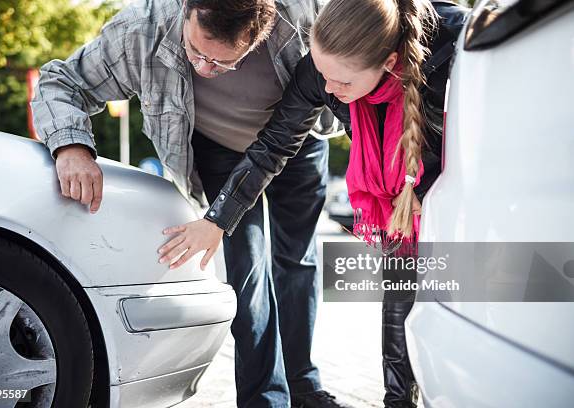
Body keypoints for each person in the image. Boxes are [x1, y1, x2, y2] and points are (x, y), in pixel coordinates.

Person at [30, 0, 353, 407]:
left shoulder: (301, 16)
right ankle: (265, 399)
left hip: (295, 142)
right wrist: (71, 146)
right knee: (247, 272)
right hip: (221, 151)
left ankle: (304, 386)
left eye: (223, 63)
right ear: (187, 10)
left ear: (259, 35)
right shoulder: (141, 29)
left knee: (297, 263)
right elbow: (60, 81)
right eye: (197, 52)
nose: (204, 68)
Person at [162, 0, 469, 406]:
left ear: (390, 63)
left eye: (341, 82)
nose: (326, 90)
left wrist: (437, 192)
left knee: (473, 303)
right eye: (322, 74)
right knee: (400, 285)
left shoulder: (455, 51)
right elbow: (272, 146)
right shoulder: (321, 73)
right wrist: (217, 219)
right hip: (396, 196)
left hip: (461, 191)